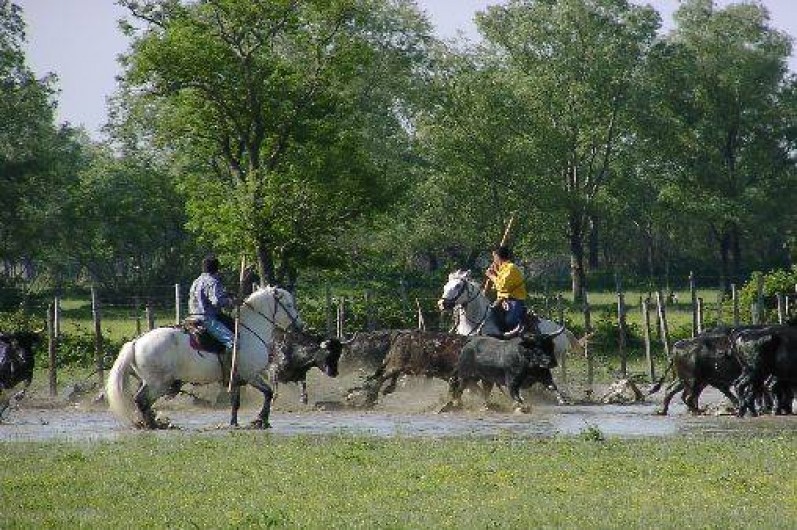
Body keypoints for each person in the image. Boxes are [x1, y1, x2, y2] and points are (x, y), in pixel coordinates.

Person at [188, 255, 238, 382]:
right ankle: (228, 375)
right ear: (217, 269)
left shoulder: (197, 281)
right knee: (233, 343)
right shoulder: (213, 282)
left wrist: (227, 294)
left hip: (192, 316)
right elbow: (217, 301)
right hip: (207, 318)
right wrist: (232, 301)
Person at [484, 245, 527, 334]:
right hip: (501, 300)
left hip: (514, 300)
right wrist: (494, 275)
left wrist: (491, 276)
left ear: (497, 256)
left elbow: (503, 286)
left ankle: (521, 334)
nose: (493, 260)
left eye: (494, 257)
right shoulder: (502, 270)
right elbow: (496, 288)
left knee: (510, 321)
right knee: (489, 316)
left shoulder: (511, 268)